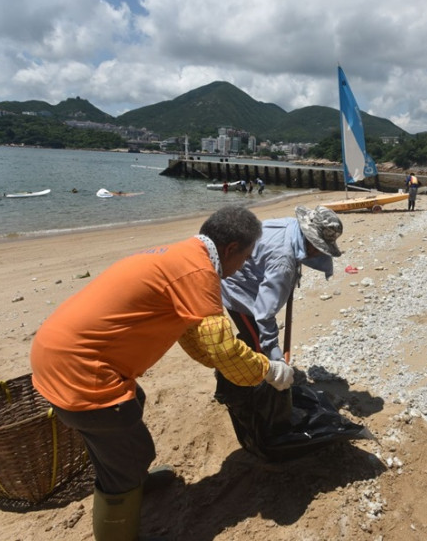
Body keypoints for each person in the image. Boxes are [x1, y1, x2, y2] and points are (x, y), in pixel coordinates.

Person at [29, 205, 294, 541]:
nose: (243, 266)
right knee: (123, 448)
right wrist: (269, 371)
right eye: (245, 258)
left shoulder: (183, 255)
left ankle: (132, 477)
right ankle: (121, 508)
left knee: (130, 407)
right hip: (79, 368)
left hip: (55, 351)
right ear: (230, 250)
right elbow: (223, 349)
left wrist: (233, 364)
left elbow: (192, 334)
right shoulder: (199, 273)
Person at [214, 205, 343, 444]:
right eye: (318, 248)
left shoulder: (291, 228)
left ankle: (245, 365)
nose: (319, 254)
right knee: (258, 344)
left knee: (255, 341)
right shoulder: (283, 261)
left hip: (251, 277)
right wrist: (274, 356)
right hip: (238, 290)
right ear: (309, 240)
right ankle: (237, 379)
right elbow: (263, 313)